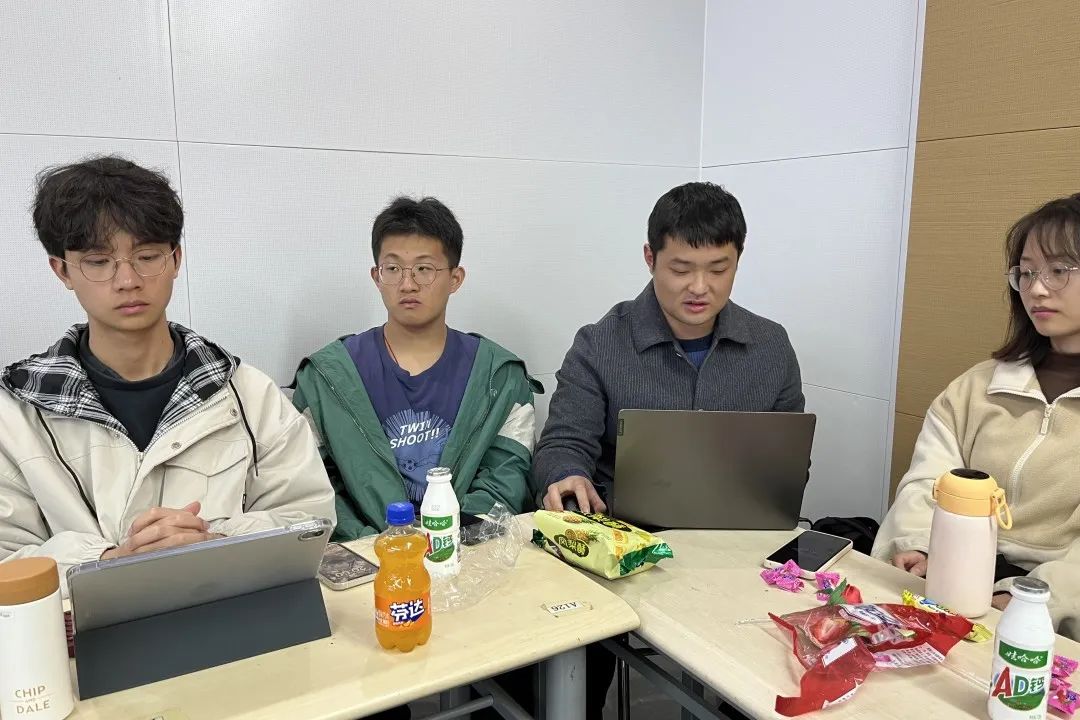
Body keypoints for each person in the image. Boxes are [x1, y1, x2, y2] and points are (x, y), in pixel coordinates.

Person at [532, 181, 805, 718]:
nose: (700, 287)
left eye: (719, 269)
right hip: (624, 547)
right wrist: (566, 473)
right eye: (681, 269)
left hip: (737, 546)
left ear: (739, 259)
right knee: (576, 649)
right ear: (649, 257)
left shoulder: (770, 347)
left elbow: (789, 458)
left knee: (777, 665)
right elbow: (563, 440)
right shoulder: (600, 343)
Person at [0, 156, 335, 584]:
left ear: (175, 259)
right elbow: (7, 561)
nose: (127, 280)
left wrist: (215, 542)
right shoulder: (16, 414)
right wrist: (107, 561)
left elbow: (310, 521)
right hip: (79, 628)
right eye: (98, 262)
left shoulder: (249, 395)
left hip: (231, 616)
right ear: (62, 270)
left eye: (146, 256)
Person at [873, 193, 1080, 640]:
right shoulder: (977, 387)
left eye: (1059, 270)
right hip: (948, 581)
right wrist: (918, 544)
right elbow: (927, 480)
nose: (1037, 289)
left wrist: (1027, 601)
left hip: (1048, 618)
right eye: (1026, 272)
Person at [291, 195, 539, 538]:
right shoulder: (326, 377)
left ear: (455, 278)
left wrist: (445, 539)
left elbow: (505, 479)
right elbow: (310, 486)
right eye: (393, 269)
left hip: (467, 552)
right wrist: (375, 547)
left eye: (424, 269)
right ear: (377, 277)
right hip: (364, 558)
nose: (407, 284)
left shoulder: (500, 376)